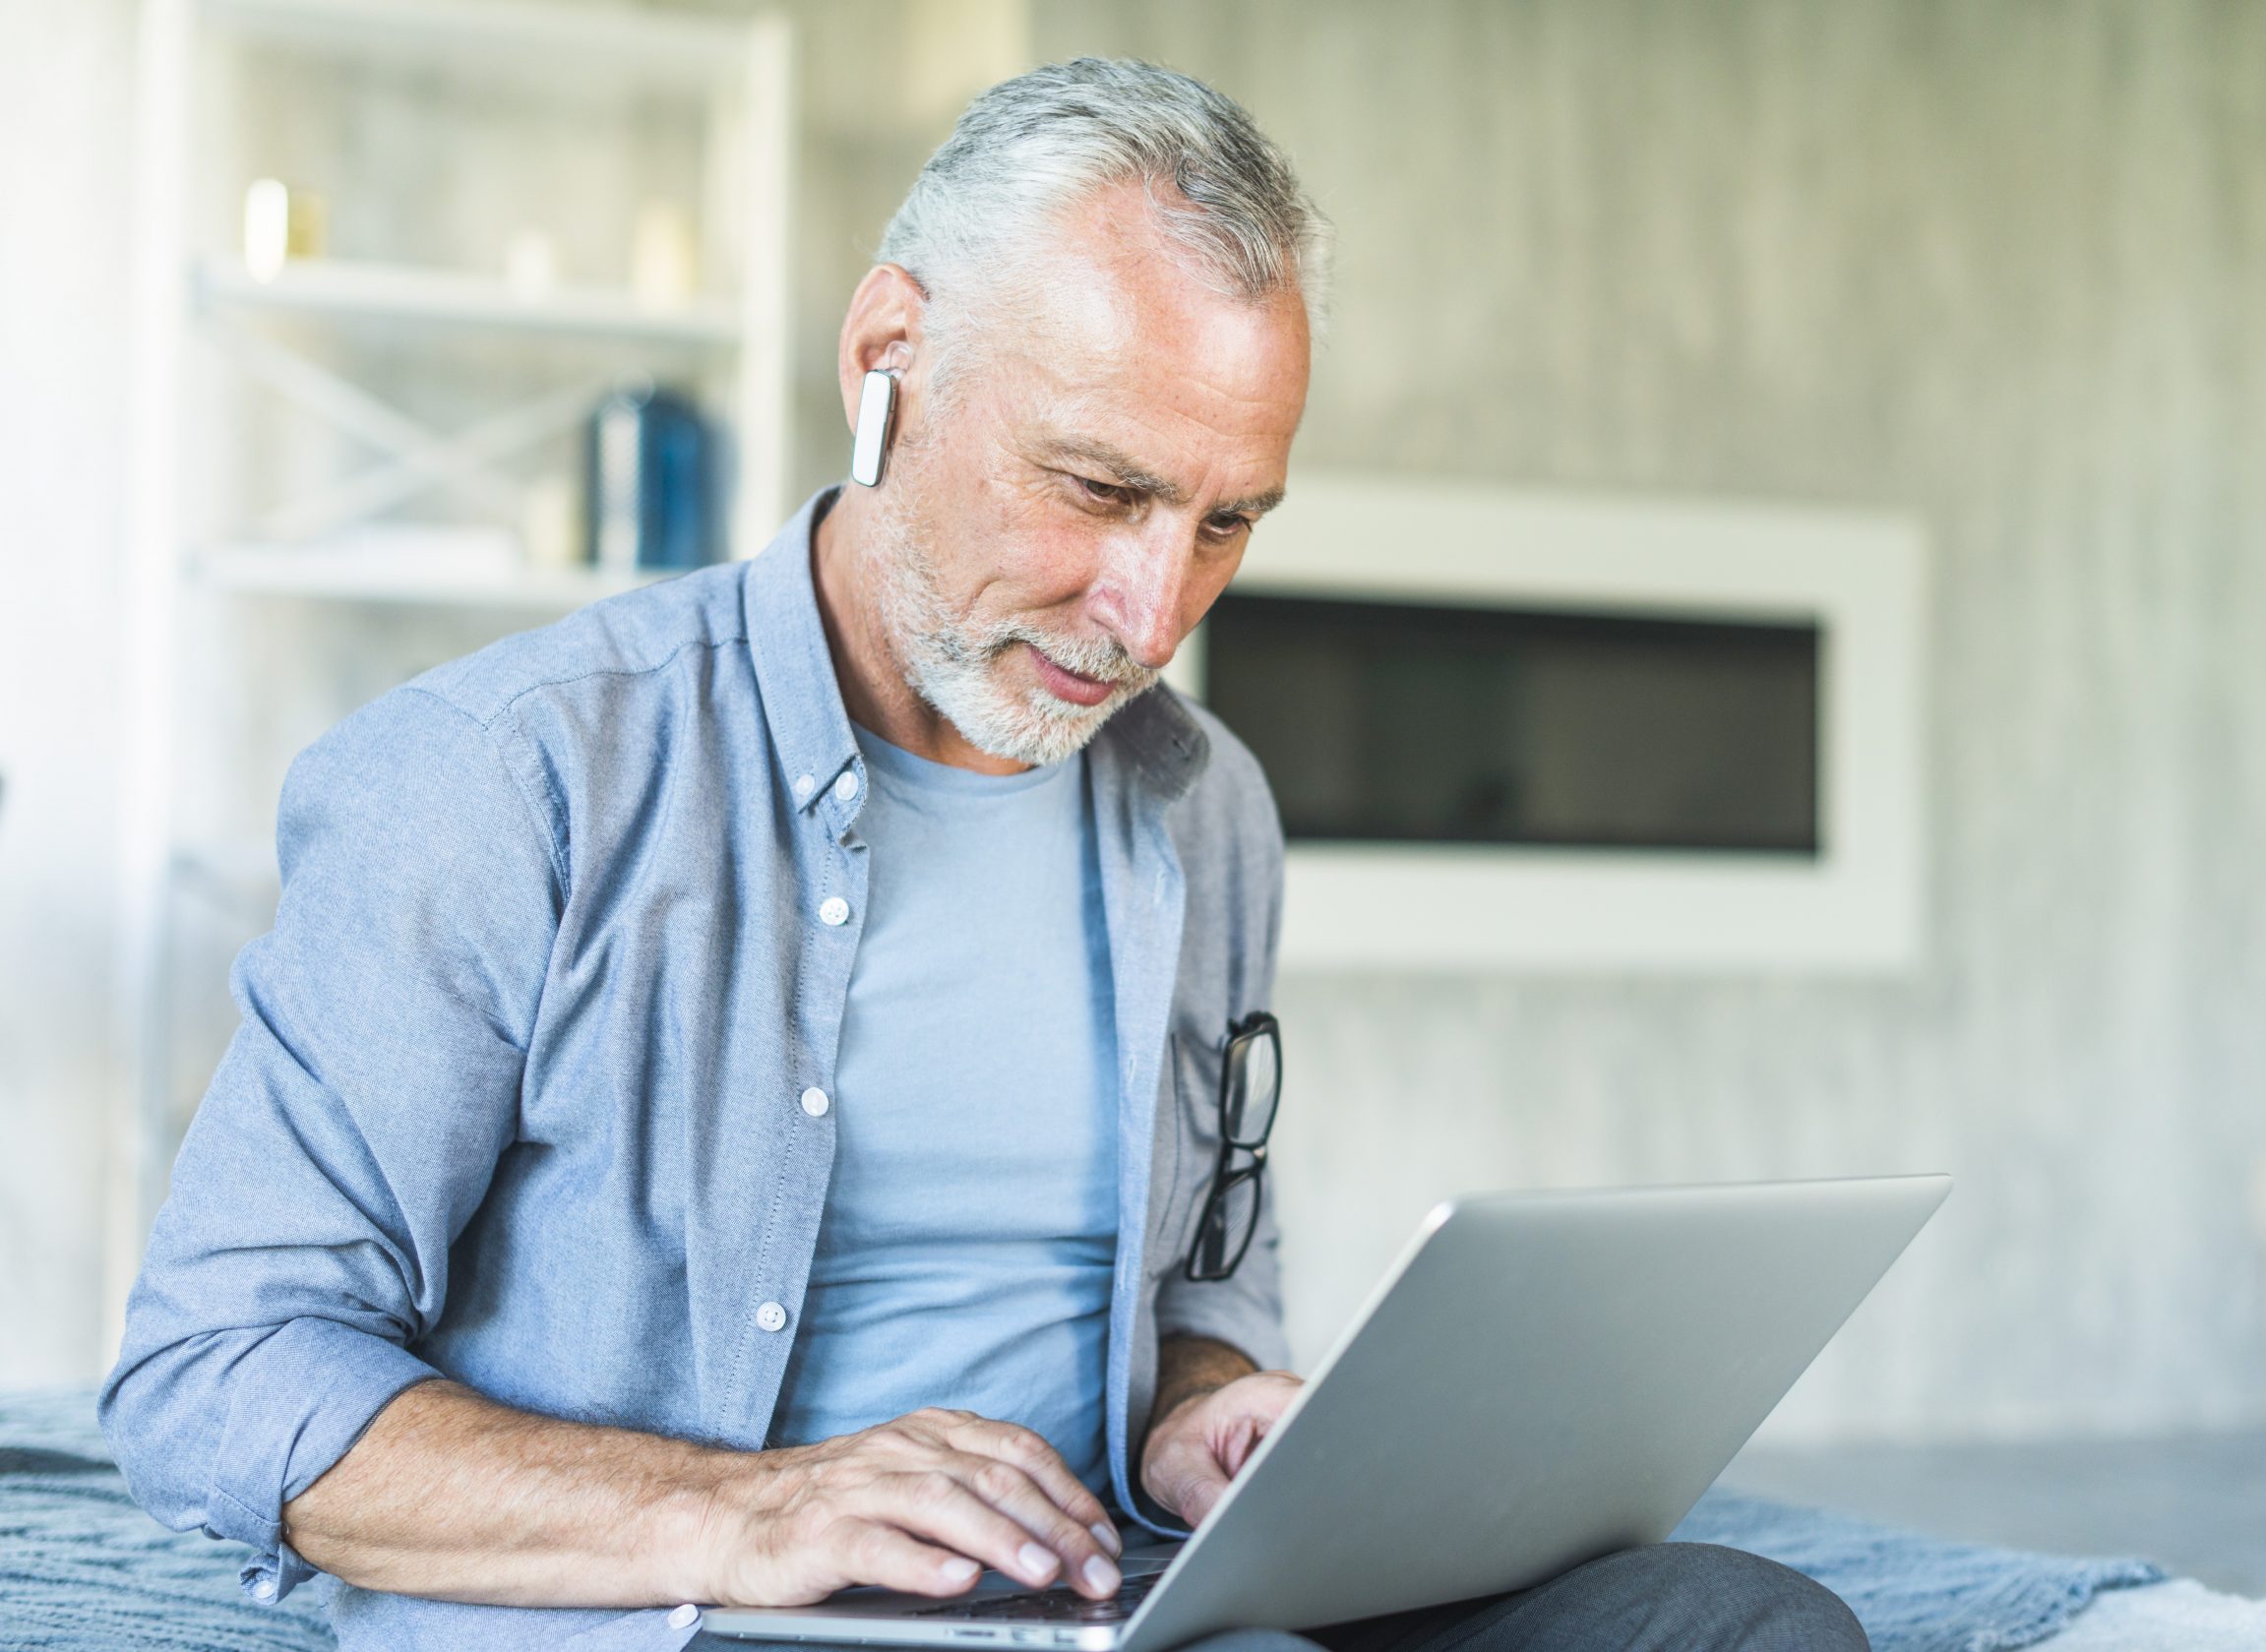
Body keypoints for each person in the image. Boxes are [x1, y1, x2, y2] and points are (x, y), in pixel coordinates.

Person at [99, 57, 1867, 1652]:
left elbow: (1190, 1293)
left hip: (1120, 1589)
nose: (1152, 609)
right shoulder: (507, 778)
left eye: (1226, 522)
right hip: (701, 1619)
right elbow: (213, 1374)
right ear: (889, 362)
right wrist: (744, 1510)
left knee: (1742, 1628)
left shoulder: (1204, 804)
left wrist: (1210, 1410)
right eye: (1099, 491)